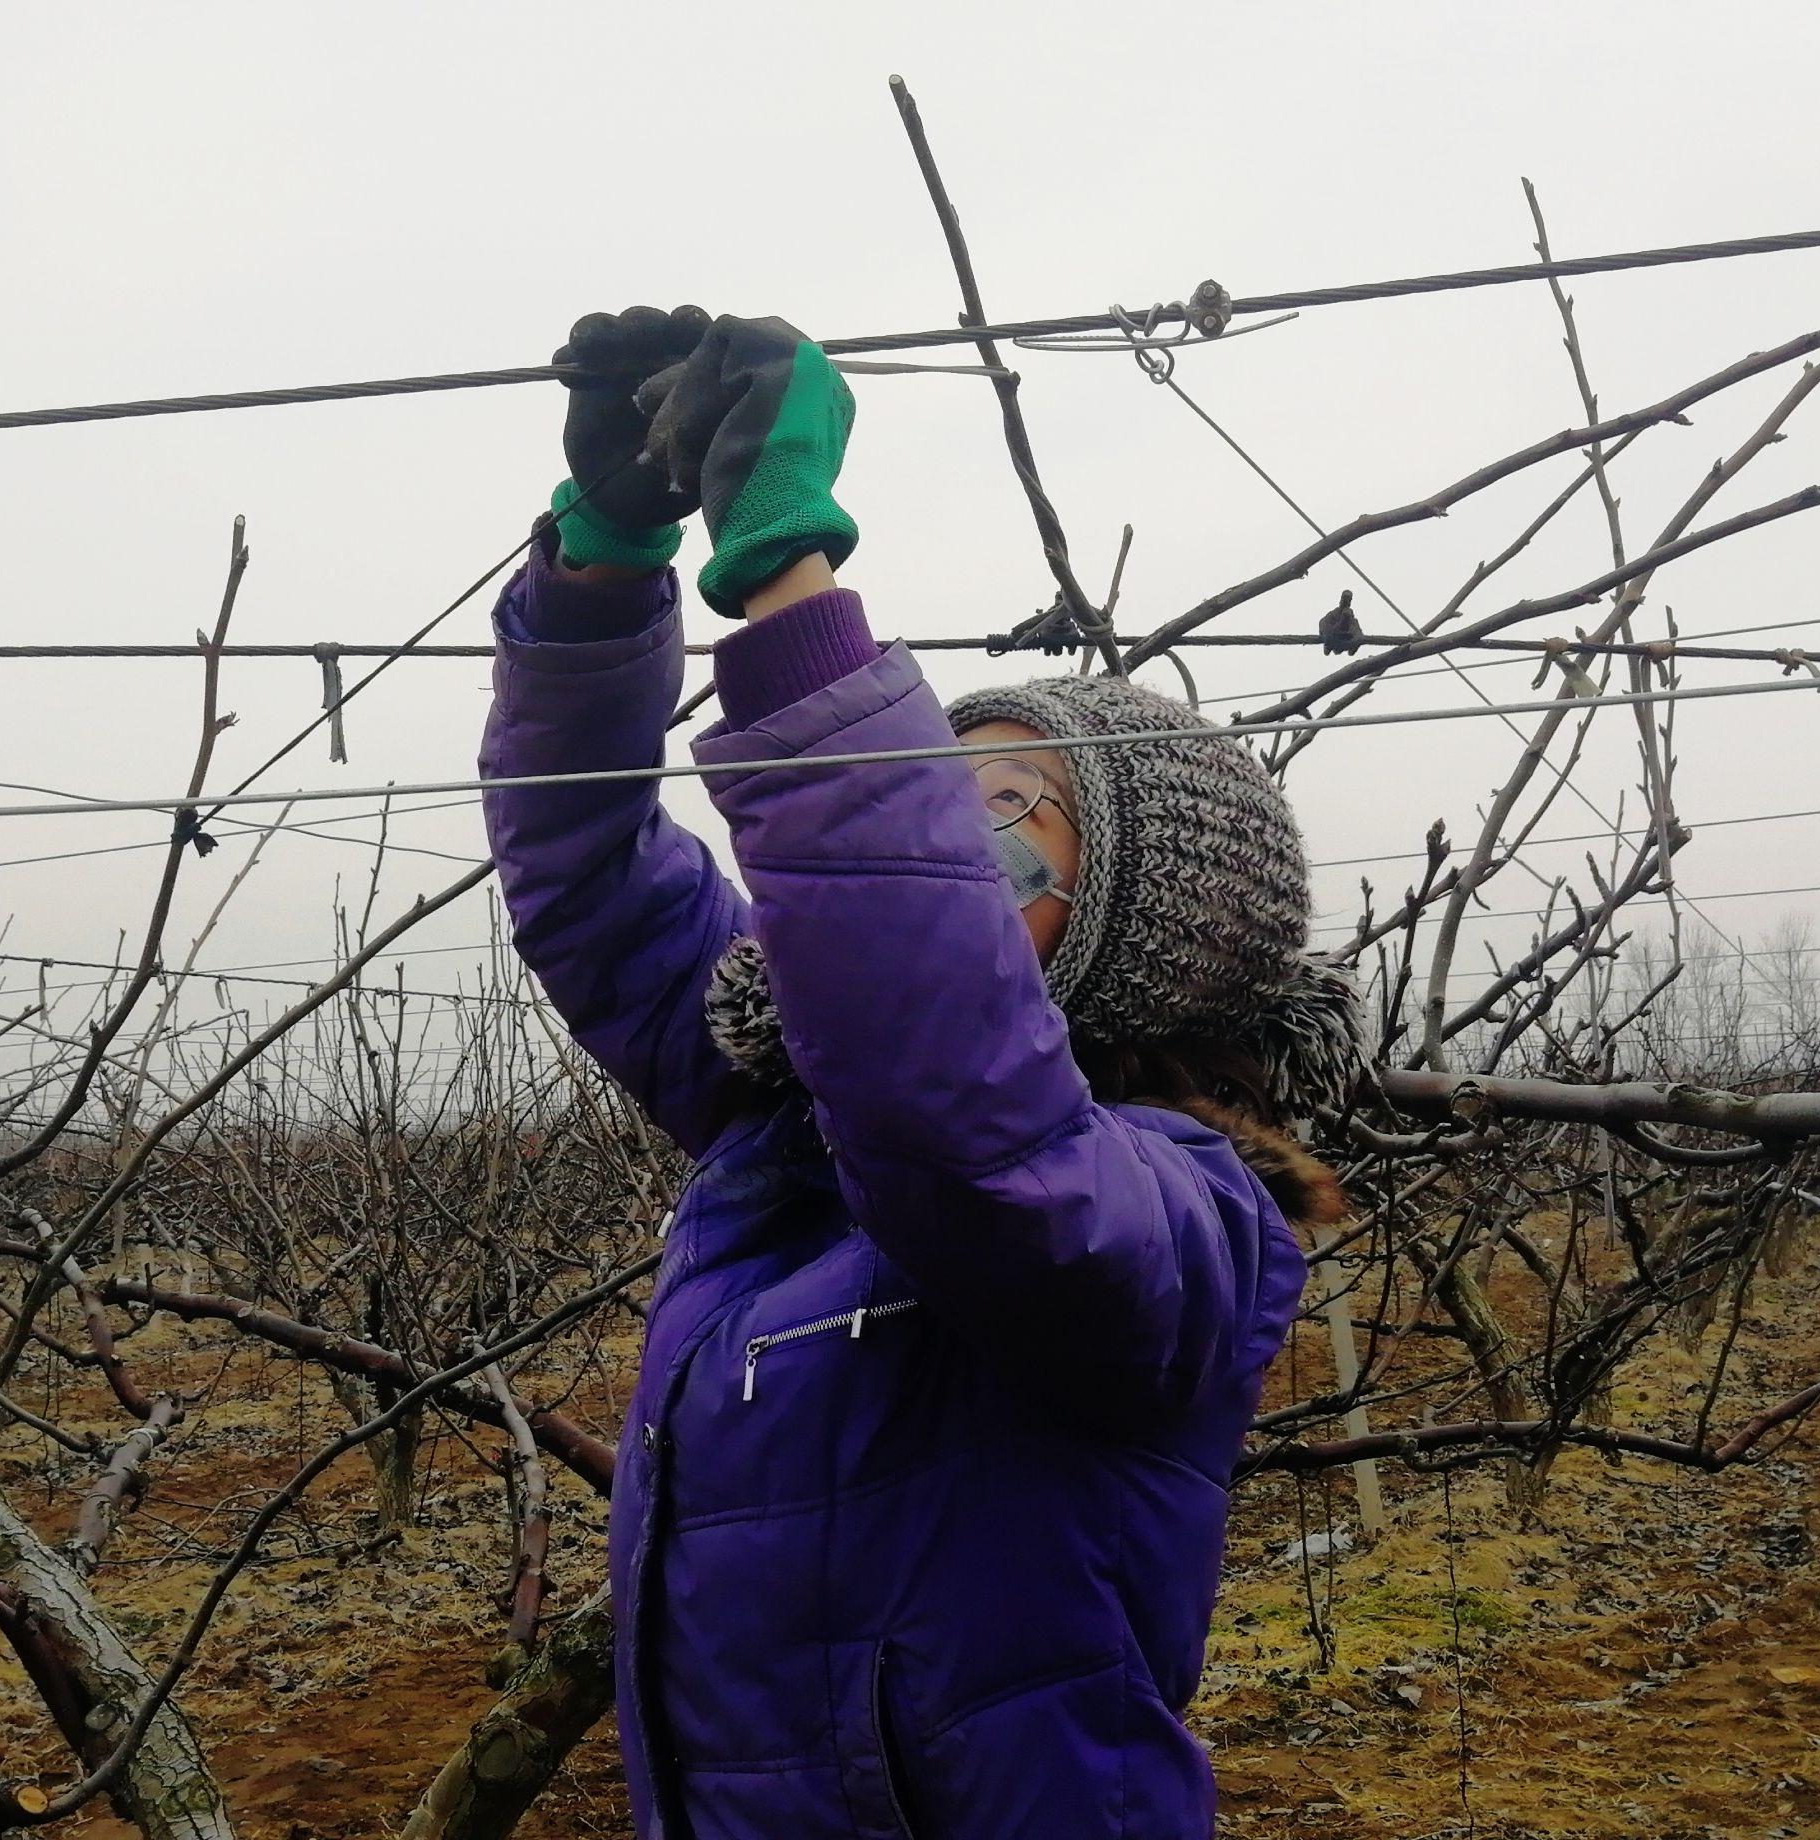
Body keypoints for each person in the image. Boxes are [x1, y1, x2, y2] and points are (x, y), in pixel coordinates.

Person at [479, 305, 1366, 1839]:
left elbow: (951, 1097)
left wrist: (788, 589)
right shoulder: (793, 1117)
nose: (954, 833)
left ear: (1146, 933)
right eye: (936, 791)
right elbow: (590, 870)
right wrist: (603, 567)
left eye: (1005, 807)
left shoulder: (1181, 1222)